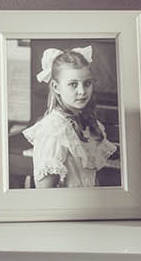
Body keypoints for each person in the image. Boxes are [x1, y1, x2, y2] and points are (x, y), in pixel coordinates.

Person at [22, 47, 117, 188]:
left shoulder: (89, 123)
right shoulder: (53, 130)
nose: (82, 91)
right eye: (73, 84)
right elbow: (45, 194)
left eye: (87, 83)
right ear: (56, 87)